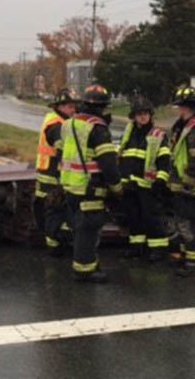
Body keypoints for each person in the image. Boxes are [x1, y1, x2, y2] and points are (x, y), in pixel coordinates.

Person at [59, 84, 122, 283]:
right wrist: (117, 187)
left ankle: (87, 263)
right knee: (89, 229)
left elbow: (61, 151)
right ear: (103, 107)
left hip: (69, 184)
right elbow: (108, 163)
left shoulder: (69, 123)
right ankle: (84, 270)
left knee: (78, 227)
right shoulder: (98, 127)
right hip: (89, 186)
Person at [118, 99, 171, 261]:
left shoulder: (157, 135)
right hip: (130, 184)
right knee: (133, 217)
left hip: (148, 185)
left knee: (152, 217)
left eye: (145, 114)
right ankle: (137, 247)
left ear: (150, 115)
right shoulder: (128, 134)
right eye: (139, 114)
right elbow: (122, 156)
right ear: (133, 116)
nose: (143, 117)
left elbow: (164, 159)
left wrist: (161, 180)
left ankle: (159, 249)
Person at [168, 87, 195, 278]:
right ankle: (187, 257)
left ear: (190, 107)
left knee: (191, 225)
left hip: (190, 187)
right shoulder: (182, 127)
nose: (179, 110)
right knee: (182, 224)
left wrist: (187, 183)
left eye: (182, 107)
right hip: (180, 185)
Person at [35, 89, 79, 256]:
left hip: (53, 174)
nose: (73, 110)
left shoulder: (61, 121)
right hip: (51, 176)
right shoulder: (55, 124)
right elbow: (62, 146)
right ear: (59, 106)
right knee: (55, 211)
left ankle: (61, 241)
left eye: (74, 106)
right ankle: (54, 245)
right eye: (70, 106)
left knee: (62, 210)